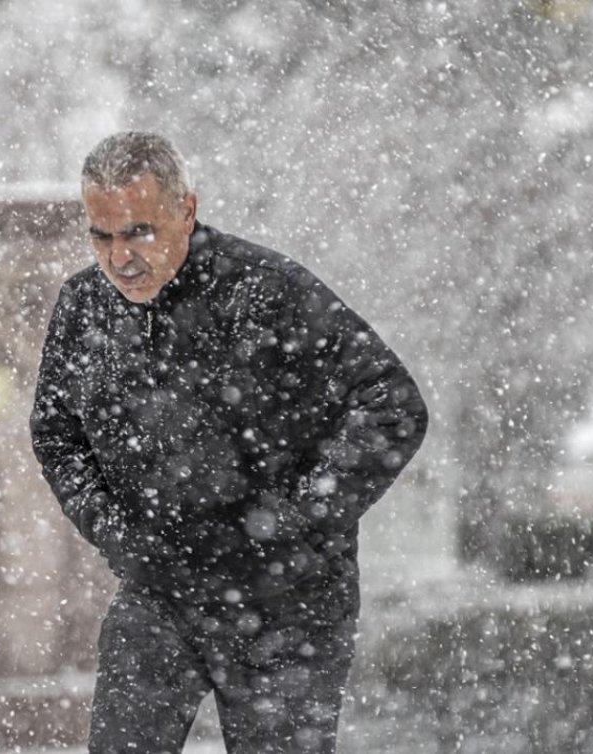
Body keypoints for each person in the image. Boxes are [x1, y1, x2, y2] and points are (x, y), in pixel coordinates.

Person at [30, 131, 428, 754]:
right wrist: (114, 530)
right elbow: (56, 434)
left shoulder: (269, 292)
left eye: (139, 231)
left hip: (286, 604)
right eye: (101, 236)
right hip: (158, 592)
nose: (120, 257)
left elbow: (392, 405)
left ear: (186, 210)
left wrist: (293, 519)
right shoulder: (85, 308)